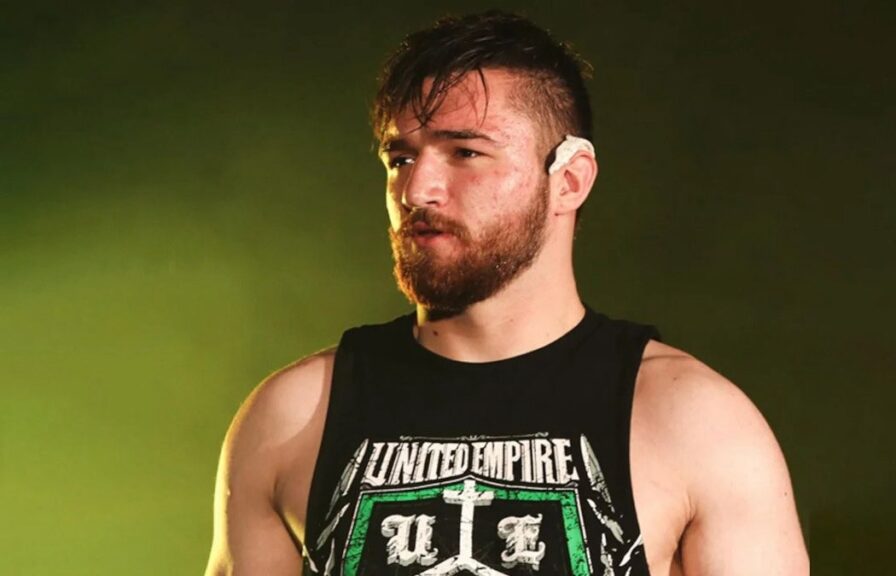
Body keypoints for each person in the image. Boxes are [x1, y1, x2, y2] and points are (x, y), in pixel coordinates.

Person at [204, 10, 808, 576]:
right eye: (401, 158)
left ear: (569, 180)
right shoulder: (292, 417)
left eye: (466, 152)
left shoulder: (694, 421)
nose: (417, 191)